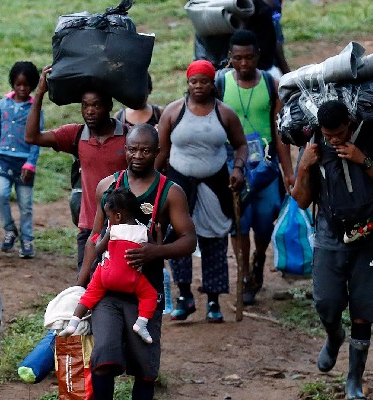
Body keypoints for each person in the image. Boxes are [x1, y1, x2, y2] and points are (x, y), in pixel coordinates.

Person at [77, 124, 196, 399]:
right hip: (107, 289)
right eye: (132, 149)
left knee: (144, 366)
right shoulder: (108, 186)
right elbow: (95, 239)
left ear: (157, 152)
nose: (138, 156)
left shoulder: (170, 192)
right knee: (104, 356)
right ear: (125, 150)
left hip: (145, 291)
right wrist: (80, 286)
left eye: (145, 150)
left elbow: (189, 239)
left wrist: (156, 251)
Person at [291, 100, 373, 400]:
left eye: (339, 133)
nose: (334, 139)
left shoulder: (370, 141)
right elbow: (300, 200)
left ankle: (353, 381)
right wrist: (304, 167)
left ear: (349, 123)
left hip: (368, 239)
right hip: (329, 238)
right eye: (328, 134)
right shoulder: (313, 147)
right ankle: (334, 335)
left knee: (363, 310)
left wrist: (363, 160)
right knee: (326, 302)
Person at [155, 60, 247, 322]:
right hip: (179, 186)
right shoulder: (173, 112)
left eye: (204, 81)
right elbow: (161, 152)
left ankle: (214, 300)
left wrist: (238, 168)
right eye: (193, 81)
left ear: (212, 84)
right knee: (177, 239)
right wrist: (150, 181)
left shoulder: (224, 113)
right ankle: (184, 296)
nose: (198, 86)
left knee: (215, 240)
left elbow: (241, 145)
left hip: (215, 185)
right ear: (187, 83)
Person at [25, 65, 128, 274]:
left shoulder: (128, 137)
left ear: (108, 105)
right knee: (87, 285)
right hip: (90, 228)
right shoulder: (76, 134)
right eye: (85, 105)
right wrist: (39, 93)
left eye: (96, 105)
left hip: (122, 228)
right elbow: (32, 136)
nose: (89, 111)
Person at [220, 30, 294, 305]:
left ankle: (259, 258)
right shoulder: (221, 84)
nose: (243, 63)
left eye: (249, 57)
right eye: (237, 58)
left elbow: (280, 133)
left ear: (258, 57)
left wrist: (288, 171)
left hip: (265, 168)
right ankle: (244, 275)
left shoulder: (271, 84)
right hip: (232, 169)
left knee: (265, 221)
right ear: (230, 57)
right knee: (239, 224)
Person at [60, 188, 161, 344]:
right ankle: (141, 324)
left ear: (118, 216)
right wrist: (159, 234)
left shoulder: (112, 229)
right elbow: (156, 251)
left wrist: (100, 237)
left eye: (109, 217)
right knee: (150, 295)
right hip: (131, 280)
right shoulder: (144, 232)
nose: (108, 220)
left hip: (106, 276)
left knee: (89, 295)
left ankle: (74, 322)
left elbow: (98, 250)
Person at [0, 61, 43, 258]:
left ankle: (27, 239)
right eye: (18, 84)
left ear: (33, 86)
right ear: (12, 84)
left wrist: (31, 162)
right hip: (3, 159)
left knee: (25, 204)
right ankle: (9, 230)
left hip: (24, 164)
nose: (22, 89)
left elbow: (37, 139)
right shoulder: (3, 104)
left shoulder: (35, 108)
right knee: (0, 194)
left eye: (27, 85)